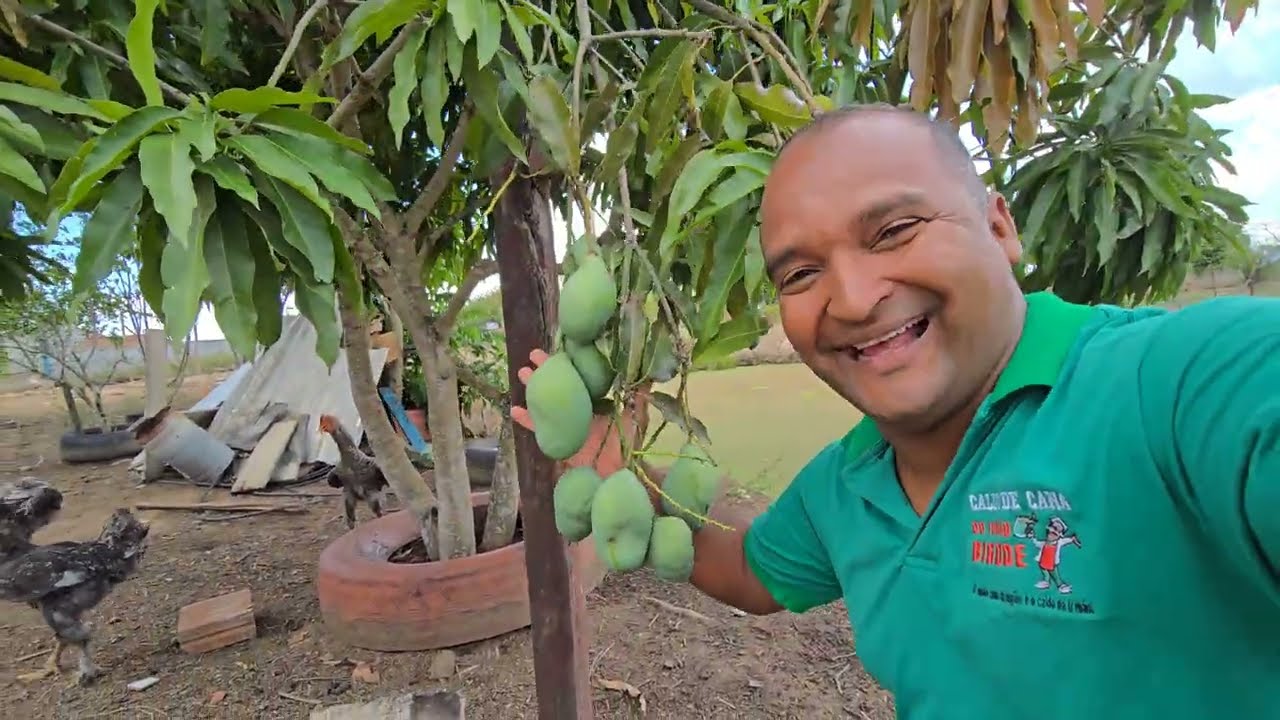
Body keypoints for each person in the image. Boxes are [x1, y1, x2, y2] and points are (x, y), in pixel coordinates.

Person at [511, 105, 1280, 719]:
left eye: (894, 231)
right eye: (803, 272)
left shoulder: (1170, 387)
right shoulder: (848, 483)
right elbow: (749, 571)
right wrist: (631, 479)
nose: (851, 298)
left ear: (999, 227)